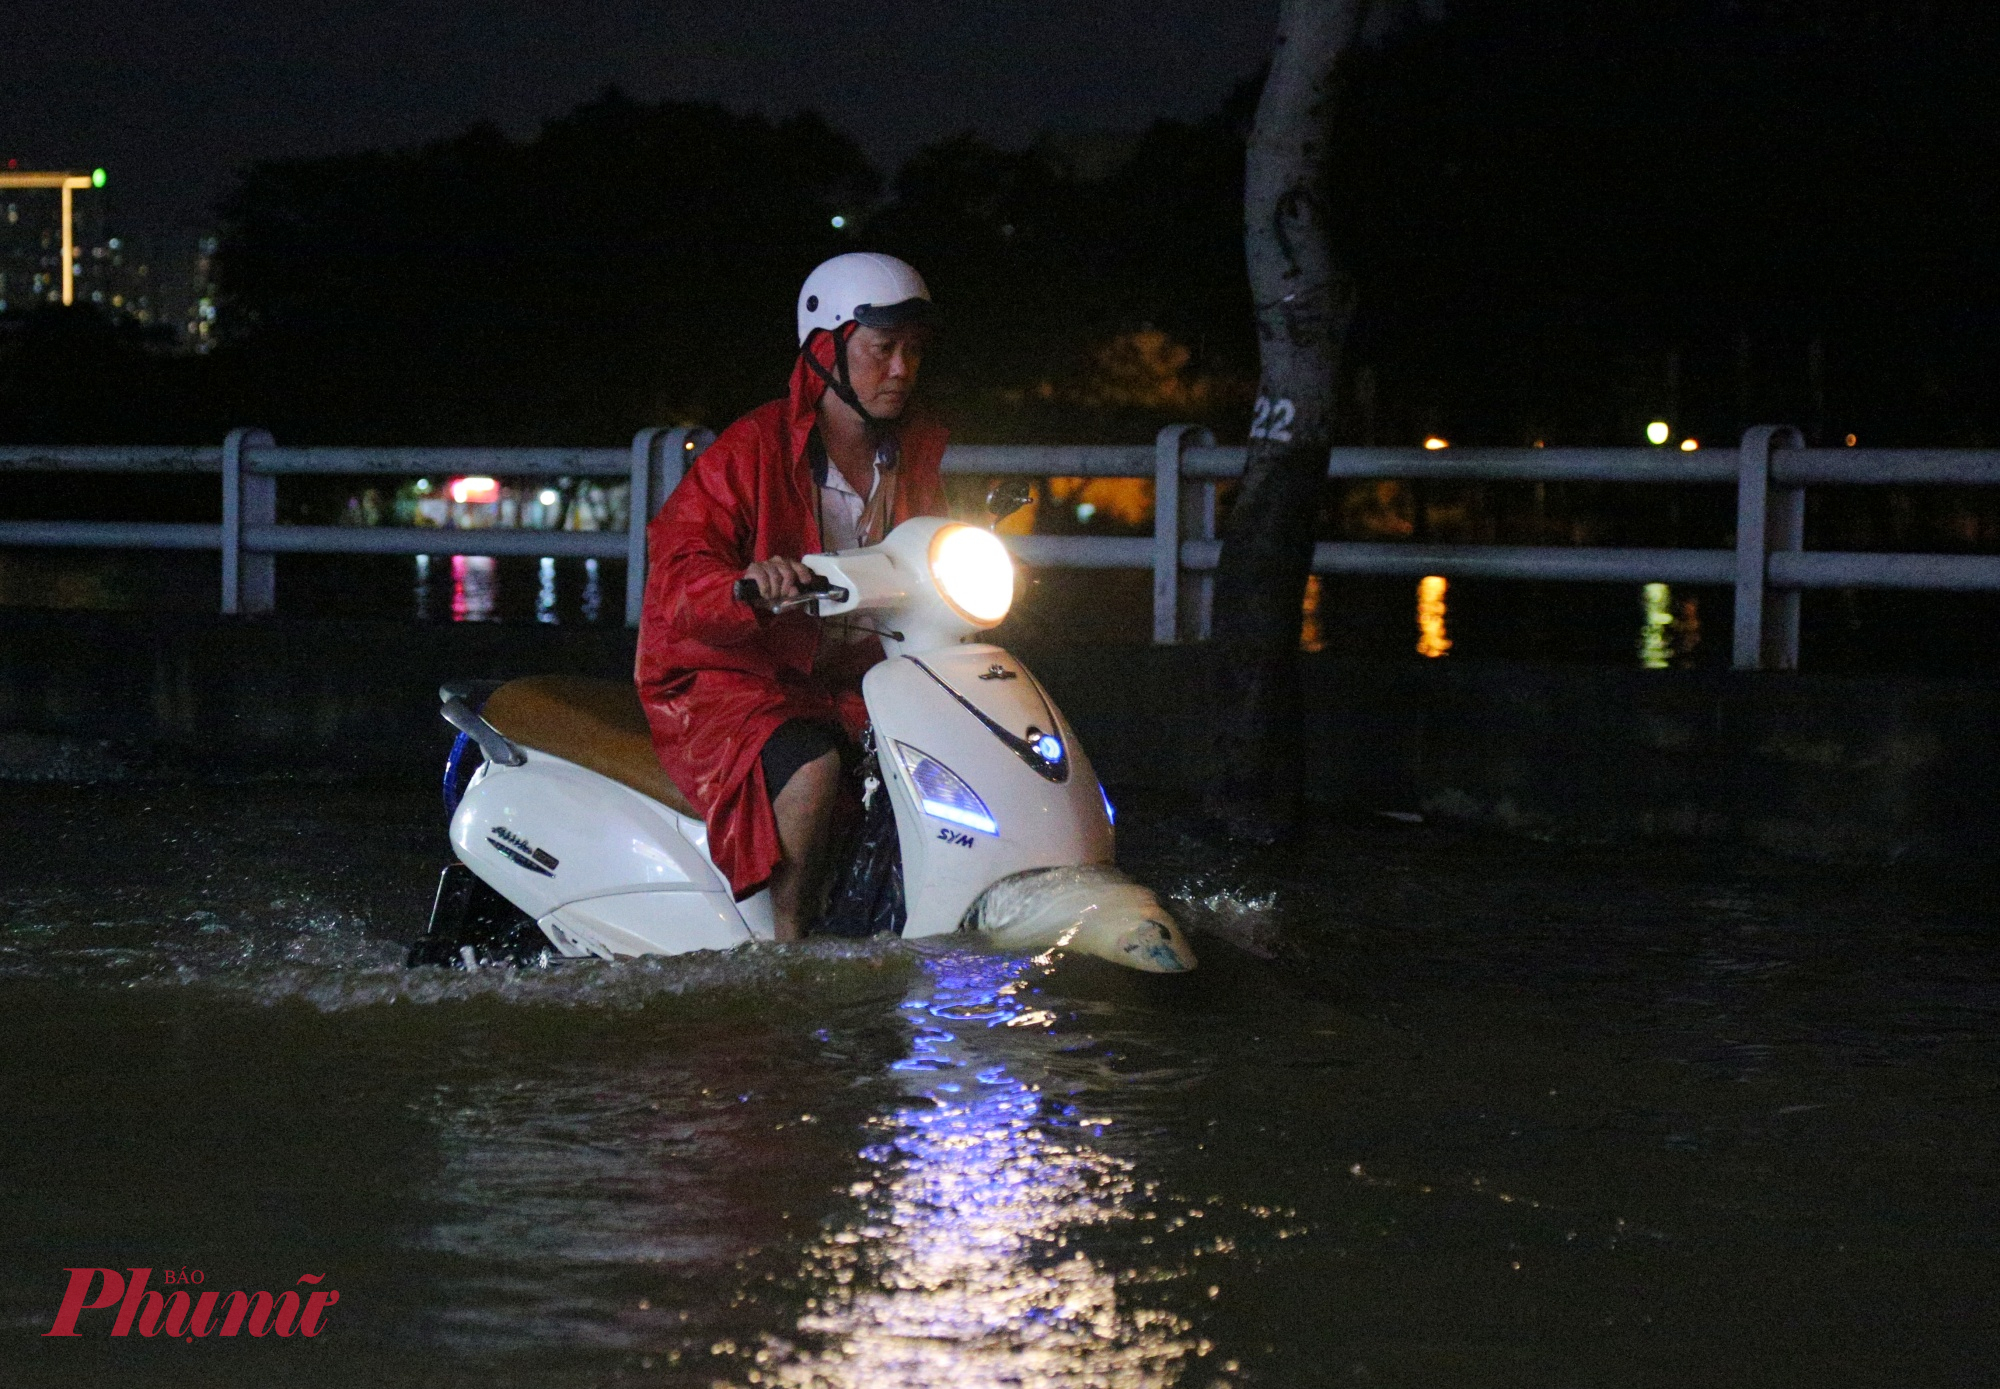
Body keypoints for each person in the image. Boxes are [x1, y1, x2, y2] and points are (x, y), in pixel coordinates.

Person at [636, 253, 946, 939]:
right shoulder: (752, 448)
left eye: (914, 351)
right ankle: (789, 947)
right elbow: (679, 573)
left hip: (856, 681)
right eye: (884, 349)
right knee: (813, 764)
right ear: (827, 348)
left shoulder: (913, 456)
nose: (902, 369)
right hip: (735, 678)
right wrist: (746, 585)